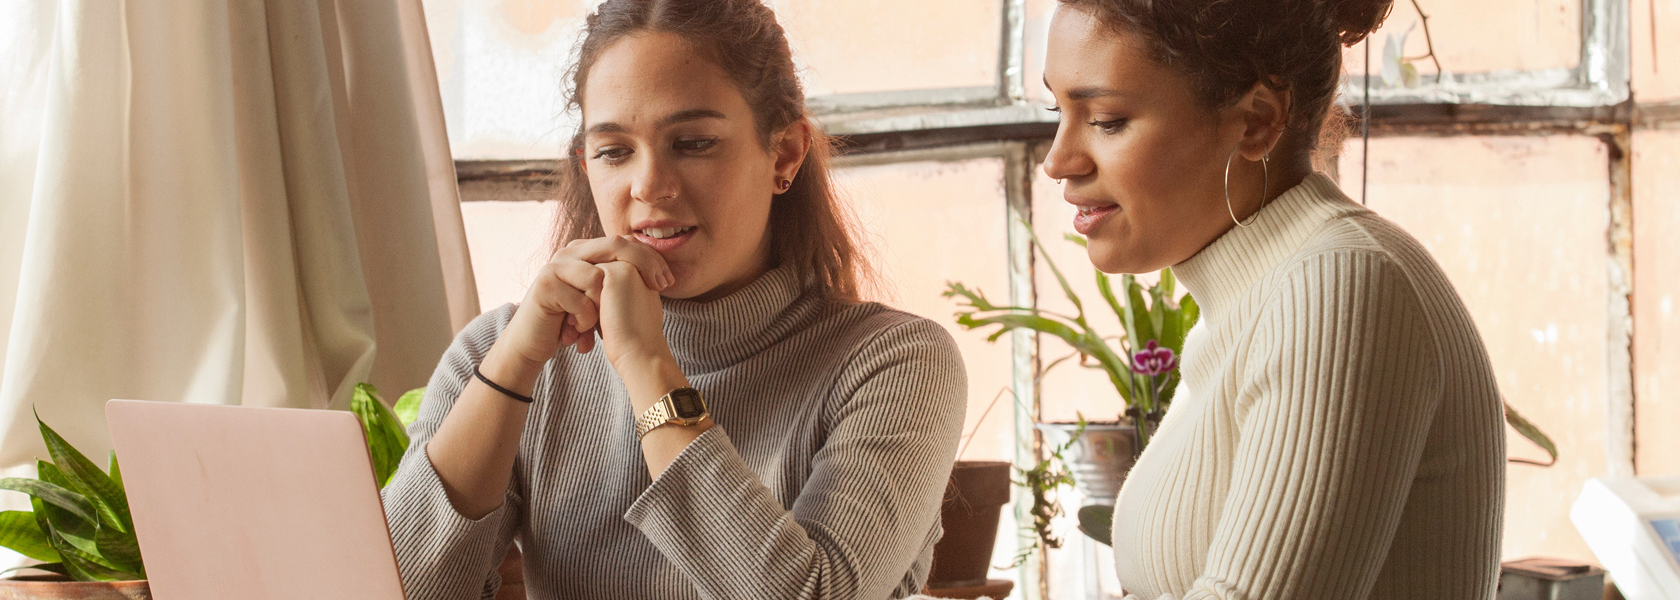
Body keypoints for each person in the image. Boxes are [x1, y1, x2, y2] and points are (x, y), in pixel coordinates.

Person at [379, 1, 966, 598]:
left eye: (693, 143)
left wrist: (646, 365)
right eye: (613, 151)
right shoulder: (499, 351)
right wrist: (512, 367)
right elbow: (381, 587)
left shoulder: (896, 362)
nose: (649, 185)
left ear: (785, 154)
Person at [1038, 0, 1507, 597]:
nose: (1058, 161)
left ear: (1257, 121)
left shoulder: (1340, 284)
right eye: (1059, 109)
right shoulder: (1256, 295)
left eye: (1105, 120)